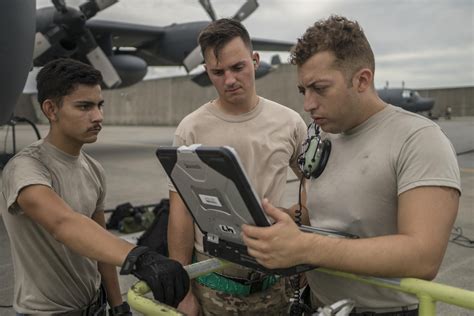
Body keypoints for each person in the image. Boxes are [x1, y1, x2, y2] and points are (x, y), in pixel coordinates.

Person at [241, 15, 461, 315]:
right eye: (303, 91)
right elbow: (312, 213)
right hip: (319, 305)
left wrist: (305, 248)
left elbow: (423, 257)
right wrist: (278, 221)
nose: (308, 104)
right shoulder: (321, 134)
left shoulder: (419, 140)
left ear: (362, 80)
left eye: (320, 88)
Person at [1, 58, 189, 315]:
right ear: (51, 110)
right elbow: (64, 224)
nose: (98, 116)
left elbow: (101, 244)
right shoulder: (26, 168)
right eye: (84, 106)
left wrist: (117, 305)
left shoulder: (93, 169)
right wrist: (139, 257)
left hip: (95, 307)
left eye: (99, 105)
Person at [167, 18, 307, 316]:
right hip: (214, 285)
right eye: (218, 72)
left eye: (237, 67)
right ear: (207, 72)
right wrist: (182, 289)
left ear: (255, 61)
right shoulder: (191, 129)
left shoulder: (289, 122)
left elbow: (314, 185)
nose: (229, 79)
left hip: (276, 283)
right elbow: (180, 210)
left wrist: (297, 218)